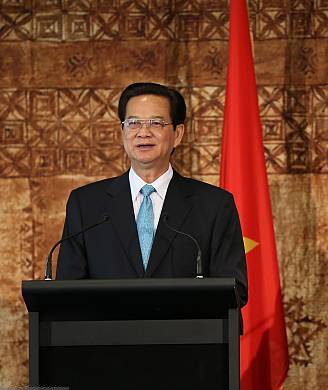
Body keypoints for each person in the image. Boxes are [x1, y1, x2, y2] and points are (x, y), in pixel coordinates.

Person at [57, 82, 247, 307]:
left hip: (186, 338)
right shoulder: (86, 204)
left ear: (177, 134)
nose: (143, 132)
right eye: (133, 123)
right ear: (122, 132)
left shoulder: (214, 205)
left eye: (156, 123)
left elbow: (234, 289)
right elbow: (66, 290)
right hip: (107, 339)